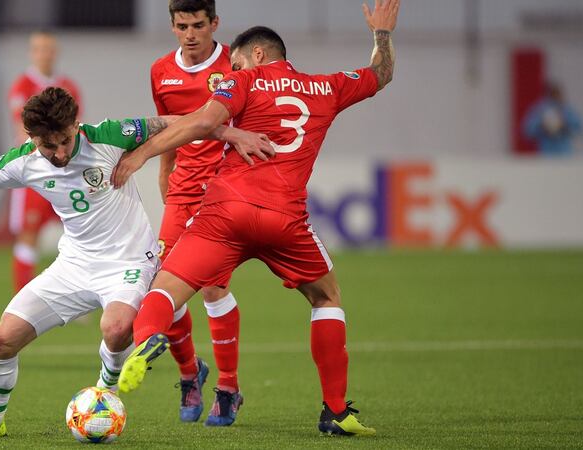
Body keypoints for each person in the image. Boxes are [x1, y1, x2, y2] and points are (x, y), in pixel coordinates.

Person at [0, 87, 271, 438]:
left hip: (129, 261)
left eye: (64, 141)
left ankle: (103, 395)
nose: (59, 153)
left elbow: (178, 122)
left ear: (76, 124)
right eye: (49, 146)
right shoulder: (24, 159)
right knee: (1, 339)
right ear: (33, 139)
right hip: (74, 264)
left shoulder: (109, 135)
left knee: (115, 329)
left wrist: (228, 131)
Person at [113, 0, 400, 437]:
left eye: (238, 61)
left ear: (258, 56)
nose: (233, 68)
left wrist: (142, 154)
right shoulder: (327, 87)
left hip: (225, 213)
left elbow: (201, 122)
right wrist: (382, 33)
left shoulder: (241, 80)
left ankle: (147, 337)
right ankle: (336, 412)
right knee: (326, 298)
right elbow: (381, 74)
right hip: (286, 221)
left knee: (165, 290)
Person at [151, 0, 244, 425]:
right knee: (163, 288)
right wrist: (165, 178)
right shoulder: (160, 71)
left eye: (198, 25)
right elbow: (167, 128)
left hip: (223, 193)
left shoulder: (237, 64)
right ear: (173, 27)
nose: (190, 34)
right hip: (181, 191)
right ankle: (190, 375)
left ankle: (228, 386)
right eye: (182, 26)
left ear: (214, 24)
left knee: (210, 288)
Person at [8, 31, 83, 293]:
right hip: (36, 174)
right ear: (32, 52)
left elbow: (75, 130)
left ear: (55, 51)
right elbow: (22, 129)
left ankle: (80, 292)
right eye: (39, 49)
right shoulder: (22, 86)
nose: (44, 54)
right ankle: (24, 295)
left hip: (66, 173)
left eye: (49, 48)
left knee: (80, 231)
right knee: (28, 235)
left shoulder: (69, 87)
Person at [522, 82, 582, 156]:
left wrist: (565, 126)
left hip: (565, 153)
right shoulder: (540, 110)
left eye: (558, 93)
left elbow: (579, 128)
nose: (556, 96)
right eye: (553, 93)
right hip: (546, 152)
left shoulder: (567, 110)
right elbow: (528, 131)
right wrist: (542, 127)